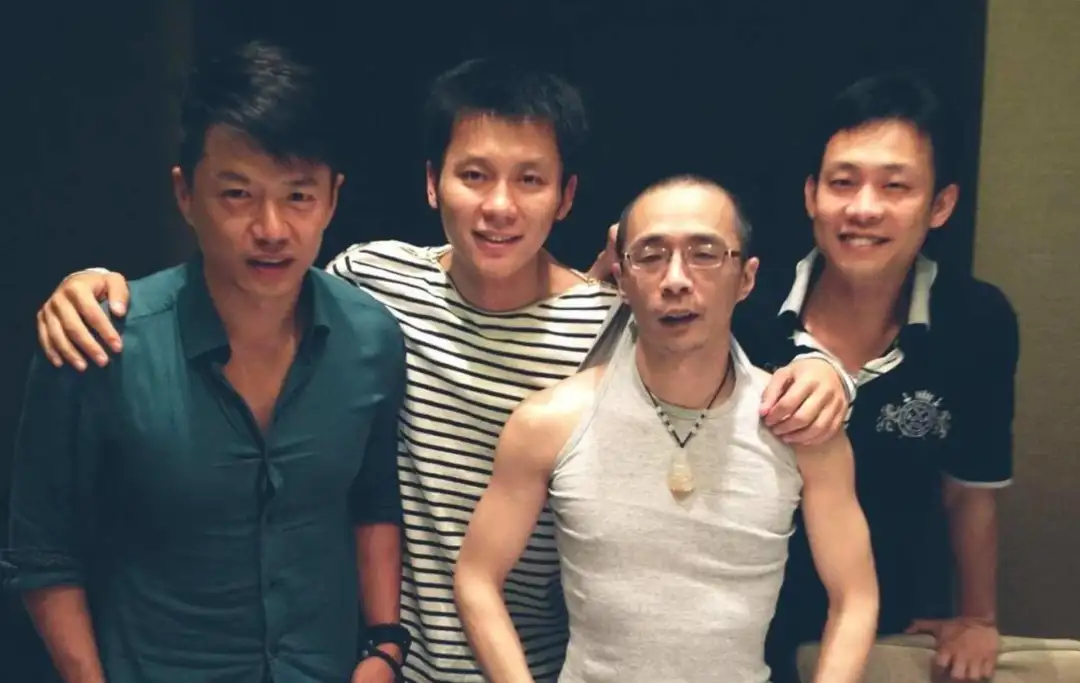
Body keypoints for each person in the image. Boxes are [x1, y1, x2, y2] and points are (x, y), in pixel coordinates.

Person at [28, 57, 854, 682]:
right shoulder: (371, 285)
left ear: (565, 198)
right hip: (387, 664)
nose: (499, 205)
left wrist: (821, 368)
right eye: (473, 175)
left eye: (529, 180)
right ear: (432, 184)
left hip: (537, 664)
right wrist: (92, 282)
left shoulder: (613, 321)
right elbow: (251, 283)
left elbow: (710, 333)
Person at [3, 40, 410, 683]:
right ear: (186, 194)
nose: (271, 228)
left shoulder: (372, 338)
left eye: (298, 196)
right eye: (238, 194)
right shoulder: (100, 343)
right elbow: (42, 552)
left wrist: (384, 646)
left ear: (332, 199)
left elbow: (373, 499)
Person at [455, 176, 878, 683]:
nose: (676, 279)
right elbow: (477, 577)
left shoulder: (799, 426)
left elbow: (855, 597)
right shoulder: (550, 422)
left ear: (746, 278)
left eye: (705, 254)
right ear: (622, 279)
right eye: (650, 256)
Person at [746, 74, 1019, 683]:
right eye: (843, 183)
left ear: (940, 205)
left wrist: (978, 617)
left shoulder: (976, 321)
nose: (863, 209)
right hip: (743, 620)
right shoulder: (747, 306)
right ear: (811, 194)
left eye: (895, 186)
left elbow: (969, 490)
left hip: (891, 620)